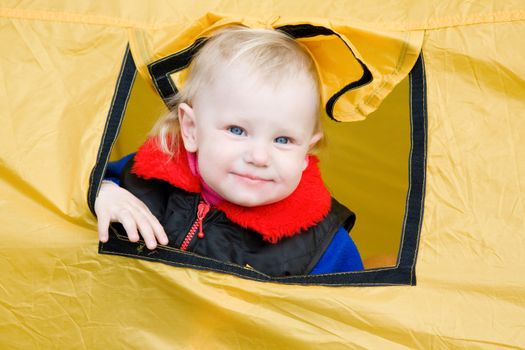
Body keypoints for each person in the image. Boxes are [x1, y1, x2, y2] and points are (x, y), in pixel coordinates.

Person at [96, 26, 363, 276]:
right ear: (191, 129)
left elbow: (342, 317)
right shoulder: (146, 177)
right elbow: (74, 191)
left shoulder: (324, 244)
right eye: (237, 131)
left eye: (283, 140)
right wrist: (104, 193)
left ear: (307, 151)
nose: (259, 158)